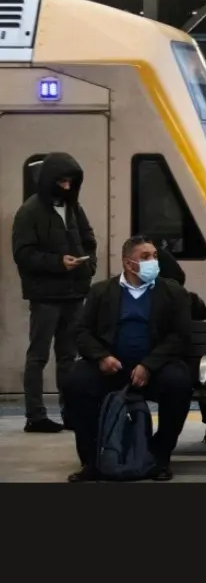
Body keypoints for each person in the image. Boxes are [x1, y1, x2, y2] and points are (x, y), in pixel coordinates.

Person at [62, 236, 193, 481]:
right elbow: (81, 331)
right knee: (76, 382)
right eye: (145, 257)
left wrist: (149, 365)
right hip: (112, 367)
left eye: (154, 256)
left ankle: (158, 457)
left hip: (154, 367)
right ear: (128, 264)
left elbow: (180, 335)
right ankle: (91, 461)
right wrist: (101, 357)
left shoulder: (172, 291)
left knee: (179, 382)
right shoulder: (101, 291)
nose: (153, 261)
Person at [12, 152, 98, 433]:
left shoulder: (74, 208)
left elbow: (88, 240)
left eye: (70, 182)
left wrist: (88, 265)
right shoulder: (30, 211)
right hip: (45, 296)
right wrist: (58, 263)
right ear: (50, 181)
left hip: (74, 293)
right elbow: (23, 254)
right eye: (61, 181)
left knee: (68, 356)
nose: (66, 186)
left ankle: (70, 412)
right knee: (38, 356)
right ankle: (35, 415)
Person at [154, 241, 206, 446]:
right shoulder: (193, 301)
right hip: (195, 372)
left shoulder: (147, 301)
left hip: (161, 371)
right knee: (202, 367)